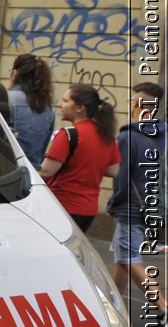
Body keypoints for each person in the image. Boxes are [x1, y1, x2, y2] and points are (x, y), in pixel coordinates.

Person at [108, 83, 165, 322]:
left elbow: (122, 178)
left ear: (139, 104)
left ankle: (163, 307)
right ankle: (112, 306)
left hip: (132, 207)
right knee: (123, 257)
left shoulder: (128, 136)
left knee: (130, 258)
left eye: (133, 99)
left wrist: (114, 204)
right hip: (156, 206)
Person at [38, 83, 120, 232]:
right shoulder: (105, 135)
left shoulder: (68, 135)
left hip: (63, 206)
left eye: (65, 101)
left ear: (80, 108)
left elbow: (46, 171)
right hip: (88, 210)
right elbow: (113, 171)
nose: (60, 104)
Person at [8, 53, 56, 162]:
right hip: (32, 173)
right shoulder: (47, 109)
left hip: (7, 169)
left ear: (15, 73)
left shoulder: (7, 98)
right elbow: (42, 149)